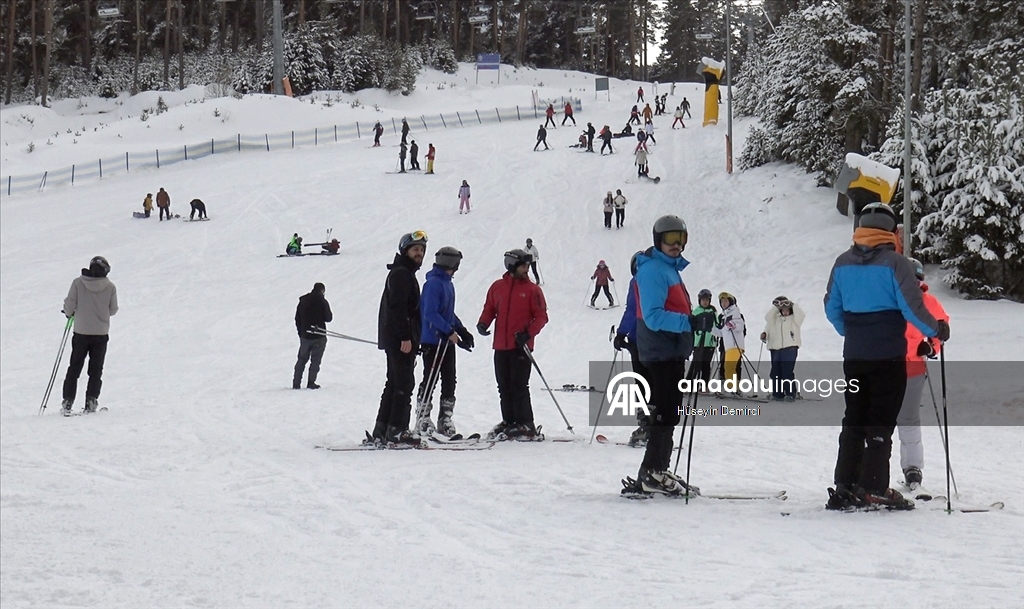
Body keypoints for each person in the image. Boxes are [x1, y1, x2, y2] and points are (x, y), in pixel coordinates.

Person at [823, 203, 947, 511]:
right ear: (891, 231)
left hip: (854, 355)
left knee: (853, 417)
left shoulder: (841, 263)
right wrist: (937, 330)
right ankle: (874, 486)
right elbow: (912, 308)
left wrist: (850, 332)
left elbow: (831, 307)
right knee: (881, 420)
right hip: (888, 355)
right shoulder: (896, 263)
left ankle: (845, 484)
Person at [624, 216, 694, 496]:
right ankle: (652, 471)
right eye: (671, 240)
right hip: (661, 349)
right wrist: (689, 323)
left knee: (669, 411)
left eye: (681, 239)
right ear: (658, 241)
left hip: (669, 350)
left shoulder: (667, 268)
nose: (677, 245)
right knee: (666, 412)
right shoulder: (654, 270)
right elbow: (653, 317)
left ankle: (657, 469)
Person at [477, 249, 549, 440]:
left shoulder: (533, 290)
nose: (527, 270)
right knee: (504, 386)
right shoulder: (497, 287)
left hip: (520, 346)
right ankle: (509, 421)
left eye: (527, 266)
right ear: (511, 266)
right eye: (523, 266)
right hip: (501, 345)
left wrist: (528, 334)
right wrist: (484, 322)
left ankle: (526, 423)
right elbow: (490, 308)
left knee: (519, 386)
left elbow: (541, 317)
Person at [896, 257, 949, 493]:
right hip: (885, 366)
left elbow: (941, 328)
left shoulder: (928, 302)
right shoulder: (890, 299)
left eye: (915, 279)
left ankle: (913, 469)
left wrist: (931, 346)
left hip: (913, 367)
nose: (912, 283)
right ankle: (872, 471)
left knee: (908, 420)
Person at [370, 231, 429, 445]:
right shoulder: (402, 274)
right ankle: (397, 430)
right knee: (404, 384)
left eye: (422, 250)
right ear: (405, 251)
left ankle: (383, 428)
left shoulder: (402, 273)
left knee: (394, 383)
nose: (419, 253)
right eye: (415, 249)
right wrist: (406, 336)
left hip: (397, 338)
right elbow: (398, 308)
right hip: (400, 339)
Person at [415, 246, 474, 437]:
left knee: (450, 380)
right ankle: (423, 417)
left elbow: (447, 312)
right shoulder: (433, 284)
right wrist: (449, 331)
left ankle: (445, 418)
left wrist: (461, 330)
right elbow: (430, 312)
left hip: (446, 341)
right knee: (431, 379)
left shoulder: (447, 283)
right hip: (434, 340)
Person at [60, 256, 118, 416]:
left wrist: (69, 313)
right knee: (96, 369)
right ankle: (91, 401)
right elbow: (113, 310)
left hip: (81, 332)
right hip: (100, 333)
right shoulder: (110, 287)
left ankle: (67, 401)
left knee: (74, 367)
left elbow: (70, 305)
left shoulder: (78, 283)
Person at [614, 251, 652, 445]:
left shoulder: (638, 280)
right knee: (655, 383)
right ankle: (657, 426)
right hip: (660, 341)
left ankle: (647, 426)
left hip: (640, 339)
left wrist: (621, 334)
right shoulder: (662, 276)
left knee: (642, 383)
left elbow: (632, 309)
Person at [760, 296, 805, 401]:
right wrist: (765, 334)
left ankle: (790, 394)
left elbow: (801, 315)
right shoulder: (774, 320)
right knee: (775, 372)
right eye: (782, 310)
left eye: (787, 309)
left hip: (790, 348)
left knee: (787, 372)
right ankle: (777, 394)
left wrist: (792, 304)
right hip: (775, 349)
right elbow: (768, 319)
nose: (785, 312)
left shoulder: (794, 320)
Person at [293, 282, 333, 390]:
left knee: (301, 360)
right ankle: (311, 382)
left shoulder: (303, 301)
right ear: (322, 291)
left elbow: (297, 319)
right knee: (315, 361)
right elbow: (328, 318)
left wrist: (301, 333)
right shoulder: (323, 301)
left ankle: (296, 384)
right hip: (319, 336)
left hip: (305, 336)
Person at [712, 292, 745, 394]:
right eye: (722, 301)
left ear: (730, 302)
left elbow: (740, 327)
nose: (723, 303)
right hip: (729, 346)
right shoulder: (725, 315)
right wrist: (709, 328)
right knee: (728, 367)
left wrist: (734, 326)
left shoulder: (735, 312)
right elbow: (721, 333)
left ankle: (733, 389)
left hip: (735, 346)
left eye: (726, 301)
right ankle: (733, 388)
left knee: (729, 367)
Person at [691, 289, 717, 387]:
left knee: (706, 365)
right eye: (703, 300)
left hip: (709, 343)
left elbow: (717, 325)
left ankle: (704, 385)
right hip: (698, 342)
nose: (705, 302)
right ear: (699, 300)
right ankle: (689, 384)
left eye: (707, 300)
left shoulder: (713, 311)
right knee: (696, 364)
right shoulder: (695, 312)